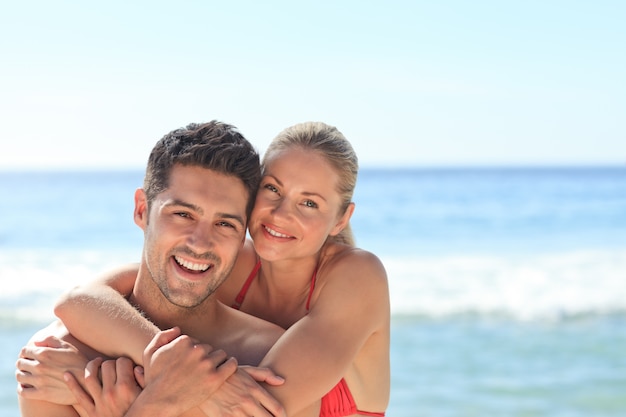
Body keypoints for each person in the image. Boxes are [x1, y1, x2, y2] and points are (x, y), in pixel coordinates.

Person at [18, 122, 390, 417]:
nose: (281, 214)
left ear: (341, 218)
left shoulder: (355, 277)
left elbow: (253, 408)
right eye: (274, 190)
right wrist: (160, 362)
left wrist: (118, 391)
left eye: (309, 202)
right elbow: (83, 299)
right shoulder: (232, 258)